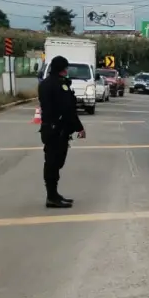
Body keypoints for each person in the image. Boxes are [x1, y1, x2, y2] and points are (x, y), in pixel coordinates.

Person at [37, 55, 85, 208]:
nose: (67, 70)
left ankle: (54, 194)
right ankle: (51, 197)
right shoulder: (59, 85)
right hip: (58, 130)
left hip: (48, 128)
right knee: (54, 163)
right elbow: (68, 109)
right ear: (62, 69)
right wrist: (79, 127)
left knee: (52, 162)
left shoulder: (44, 84)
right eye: (66, 68)